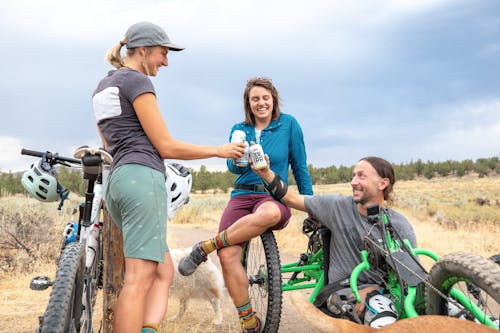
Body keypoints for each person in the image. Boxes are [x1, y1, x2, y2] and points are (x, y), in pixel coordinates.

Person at [92, 21, 245, 333]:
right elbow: (165, 145)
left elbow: (109, 143)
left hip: (118, 182)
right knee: (137, 280)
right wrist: (219, 150)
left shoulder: (103, 87)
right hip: (142, 180)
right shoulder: (136, 81)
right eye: (162, 53)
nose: (165, 61)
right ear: (144, 50)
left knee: (163, 271)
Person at [178, 77, 313, 332]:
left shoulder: (289, 125)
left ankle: (206, 245)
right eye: (255, 99)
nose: (261, 103)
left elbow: (300, 167)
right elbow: (231, 166)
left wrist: (312, 206)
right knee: (228, 255)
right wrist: (236, 158)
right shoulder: (239, 128)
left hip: (272, 194)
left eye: (265, 98)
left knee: (271, 212)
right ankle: (249, 322)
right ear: (248, 104)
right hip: (241, 195)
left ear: (273, 99)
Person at [252, 155, 418, 328]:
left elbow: (410, 276)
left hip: (384, 292)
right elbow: (291, 199)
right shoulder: (337, 207)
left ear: (383, 184)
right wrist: (266, 173)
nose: (353, 182)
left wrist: (375, 289)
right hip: (343, 290)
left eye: (361, 176)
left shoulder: (399, 224)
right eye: (353, 175)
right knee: (383, 323)